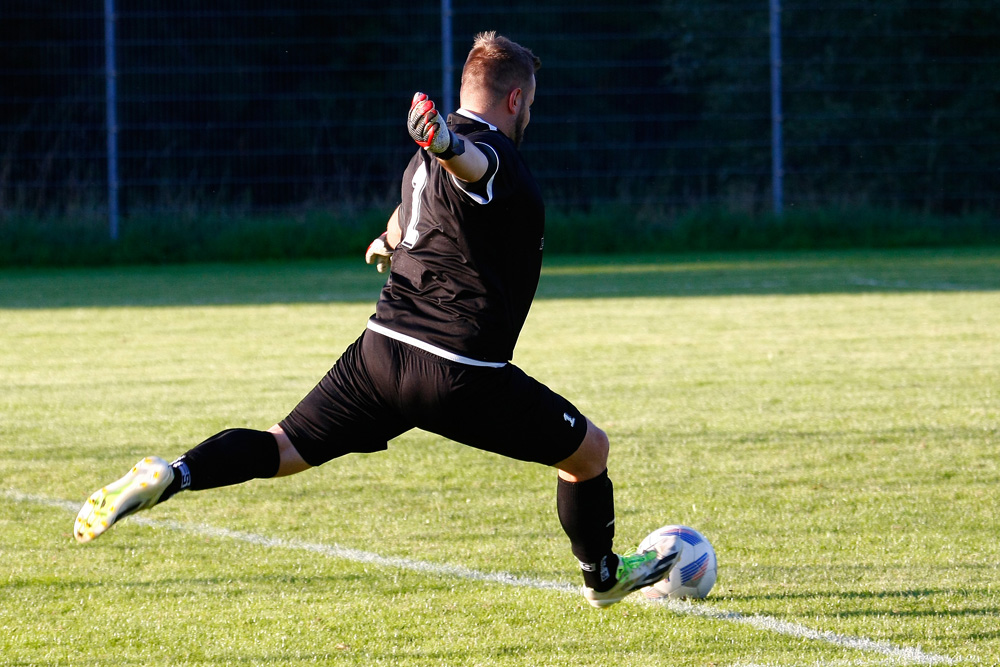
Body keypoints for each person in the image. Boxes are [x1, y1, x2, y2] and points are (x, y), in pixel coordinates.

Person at [73, 31, 682, 608]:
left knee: (284, 447)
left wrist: (390, 237)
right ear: (515, 97)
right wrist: (443, 141)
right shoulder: (485, 152)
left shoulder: (418, 168)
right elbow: (470, 164)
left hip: (379, 354)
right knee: (587, 453)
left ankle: (174, 473)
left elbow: (417, 209)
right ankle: (601, 577)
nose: (531, 117)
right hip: (458, 370)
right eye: (531, 104)